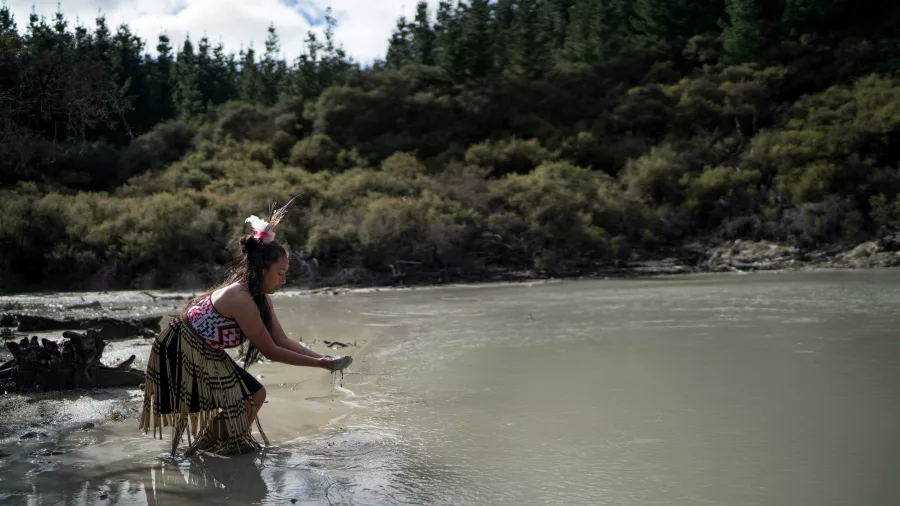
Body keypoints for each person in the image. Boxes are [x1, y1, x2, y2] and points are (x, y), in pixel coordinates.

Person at [138, 199, 351, 456]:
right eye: (280, 273)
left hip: (203, 349)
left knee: (249, 396)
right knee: (252, 395)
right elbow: (271, 351)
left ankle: (213, 447)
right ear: (263, 269)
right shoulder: (243, 300)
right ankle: (198, 452)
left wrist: (325, 359)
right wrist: (319, 365)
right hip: (181, 348)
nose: (284, 280)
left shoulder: (259, 296)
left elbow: (282, 340)